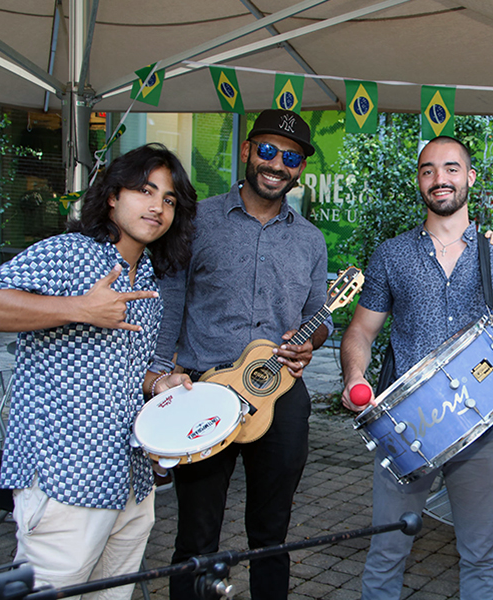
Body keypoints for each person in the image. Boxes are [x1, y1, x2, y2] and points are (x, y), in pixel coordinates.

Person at [0, 143, 197, 599]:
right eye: (145, 190)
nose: (158, 206)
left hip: (132, 482)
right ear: (113, 196)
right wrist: (78, 308)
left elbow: (124, 370)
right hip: (66, 478)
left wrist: (160, 383)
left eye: (170, 199)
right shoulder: (70, 253)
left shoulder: (149, 281)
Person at [340, 135, 493, 600]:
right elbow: (361, 333)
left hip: (482, 424)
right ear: (419, 181)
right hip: (407, 424)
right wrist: (355, 376)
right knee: (387, 550)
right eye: (428, 170)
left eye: (451, 168)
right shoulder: (392, 254)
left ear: (470, 178)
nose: (439, 178)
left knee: (480, 554)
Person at [147, 109, 330, 600]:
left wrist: (308, 343)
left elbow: (322, 315)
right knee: (196, 534)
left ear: (300, 169)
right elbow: (169, 301)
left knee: (271, 533)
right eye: (268, 150)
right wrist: (157, 372)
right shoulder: (197, 220)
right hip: (203, 387)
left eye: (291, 157)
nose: (277, 164)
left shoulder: (311, 240)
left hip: (281, 390)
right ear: (247, 151)